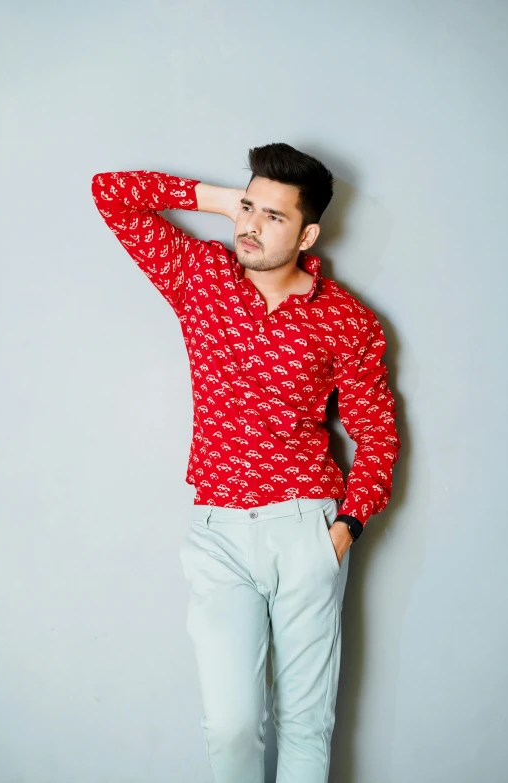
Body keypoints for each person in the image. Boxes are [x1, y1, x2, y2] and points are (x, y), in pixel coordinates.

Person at [91, 142, 401, 783]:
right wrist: (220, 199)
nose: (251, 228)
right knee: (230, 726)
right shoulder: (200, 277)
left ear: (309, 231)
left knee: (306, 728)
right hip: (219, 536)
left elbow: (376, 433)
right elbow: (110, 192)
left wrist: (346, 528)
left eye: (273, 217)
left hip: (307, 529)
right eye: (247, 208)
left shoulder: (346, 320)